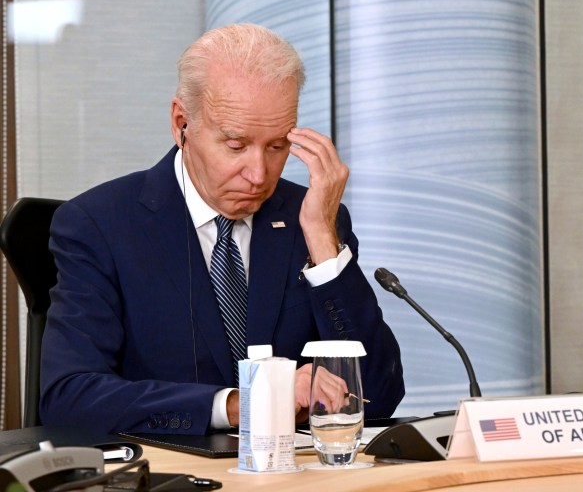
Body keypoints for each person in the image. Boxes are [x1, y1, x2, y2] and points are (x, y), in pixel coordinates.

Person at [39, 23, 405, 435]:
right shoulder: (99, 225)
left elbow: (378, 396)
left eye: (277, 146)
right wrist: (241, 404)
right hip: (171, 466)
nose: (258, 174)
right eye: (235, 145)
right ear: (182, 123)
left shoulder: (312, 217)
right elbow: (69, 398)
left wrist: (322, 239)